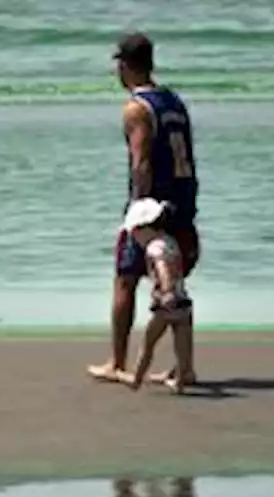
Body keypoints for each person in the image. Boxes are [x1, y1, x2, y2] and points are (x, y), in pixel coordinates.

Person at [88, 32, 200, 386]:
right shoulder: (173, 100)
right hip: (183, 199)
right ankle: (183, 367)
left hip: (153, 206)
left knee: (126, 280)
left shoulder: (136, 108)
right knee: (173, 285)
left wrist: (137, 205)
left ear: (124, 66)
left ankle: (117, 362)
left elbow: (142, 160)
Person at [115, 198, 194, 394]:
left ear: (145, 228)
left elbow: (161, 266)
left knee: (148, 342)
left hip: (166, 306)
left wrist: (166, 290)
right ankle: (181, 379)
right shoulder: (170, 242)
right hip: (183, 302)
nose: (136, 240)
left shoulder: (154, 247)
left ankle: (137, 378)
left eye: (136, 234)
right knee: (182, 346)